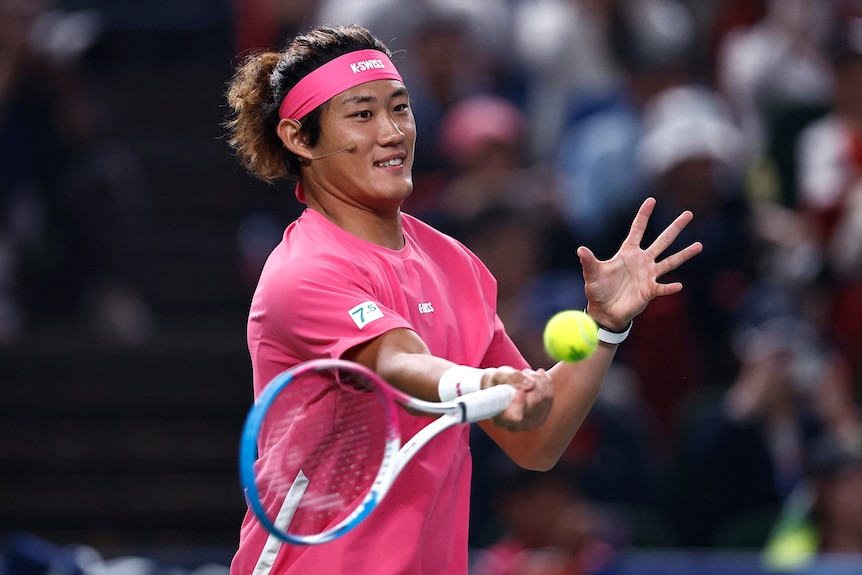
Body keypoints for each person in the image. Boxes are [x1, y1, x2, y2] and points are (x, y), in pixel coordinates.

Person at [223, 24, 702, 574]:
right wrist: (479, 384)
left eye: (400, 109)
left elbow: (536, 440)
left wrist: (605, 326)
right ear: (299, 138)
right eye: (362, 114)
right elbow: (397, 362)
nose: (392, 132)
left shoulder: (453, 263)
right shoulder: (303, 272)